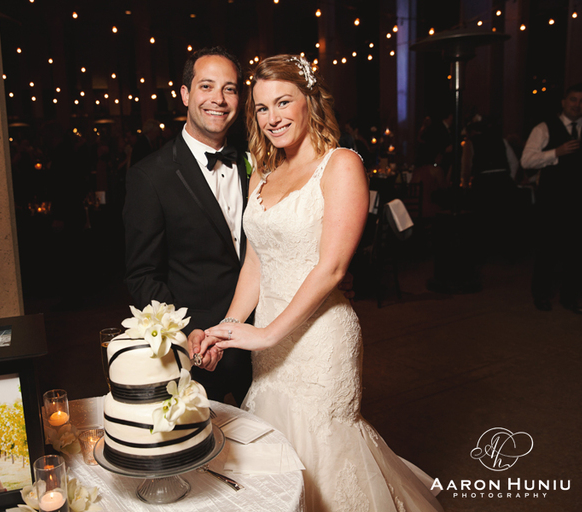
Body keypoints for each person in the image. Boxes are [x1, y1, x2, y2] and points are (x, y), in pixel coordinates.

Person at [195, 55, 443, 512]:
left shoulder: (342, 164)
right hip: (269, 344)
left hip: (319, 341)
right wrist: (229, 327)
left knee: (324, 457)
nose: (273, 118)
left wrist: (266, 333)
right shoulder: (263, 174)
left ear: (309, 100)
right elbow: (256, 262)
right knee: (278, 456)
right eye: (262, 108)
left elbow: (331, 268)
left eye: (283, 102)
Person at [123, 47, 252, 403]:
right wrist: (189, 331)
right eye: (206, 86)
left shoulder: (254, 161)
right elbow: (142, 275)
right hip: (198, 353)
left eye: (230, 89)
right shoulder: (149, 177)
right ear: (184, 94)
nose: (219, 99)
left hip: (263, 344)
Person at [521, 82, 582, 314]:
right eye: (573, 100)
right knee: (547, 251)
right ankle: (540, 295)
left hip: (580, 203)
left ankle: (569, 298)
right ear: (563, 102)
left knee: (576, 253)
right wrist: (556, 153)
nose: (577, 105)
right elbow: (526, 161)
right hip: (552, 202)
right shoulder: (544, 128)